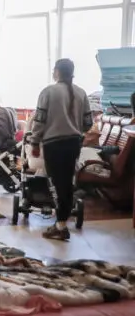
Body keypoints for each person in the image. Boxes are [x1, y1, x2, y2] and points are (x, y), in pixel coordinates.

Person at [29, 58, 92, 241]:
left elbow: (39, 122)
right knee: (67, 183)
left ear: (57, 71)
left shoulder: (48, 92)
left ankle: (61, 226)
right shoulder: (81, 93)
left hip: (53, 145)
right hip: (73, 144)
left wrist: (34, 143)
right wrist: (75, 128)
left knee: (57, 184)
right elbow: (88, 124)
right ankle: (61, 223)